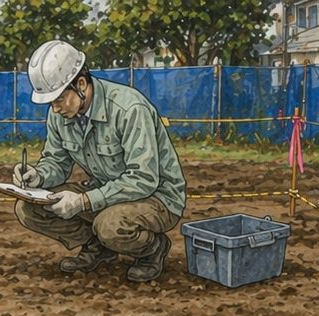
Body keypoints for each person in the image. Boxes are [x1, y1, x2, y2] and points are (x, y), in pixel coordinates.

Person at [11, 40, 187, 284]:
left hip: (157, 197)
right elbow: (57, 162)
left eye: (59, 99)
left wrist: (84, 201)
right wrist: (38, 176)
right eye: (50, 102)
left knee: (110, 225)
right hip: (107, 191)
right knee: (28, 208)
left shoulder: (129, 108)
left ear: (81, 84)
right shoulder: (60, 115)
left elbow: (144, 178)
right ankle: (99, 247)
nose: (55, 108)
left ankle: (152, 249)